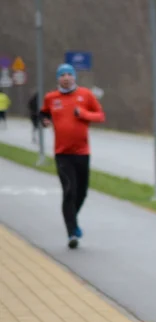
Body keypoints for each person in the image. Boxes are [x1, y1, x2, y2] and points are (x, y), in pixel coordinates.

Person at [40, 63, 105, 249]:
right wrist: (44, 120)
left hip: (82, 152)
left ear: (74, 77)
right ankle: (71, 233)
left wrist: (83, 113)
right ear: (58, 78)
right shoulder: (51, 98)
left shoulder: (85, 95)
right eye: (62, 75)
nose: (66, 78)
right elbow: (43, 113)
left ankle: (72, 219)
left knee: (82, 192)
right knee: (69, 190)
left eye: (69, 74)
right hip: (62, 153)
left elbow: (100, 115)